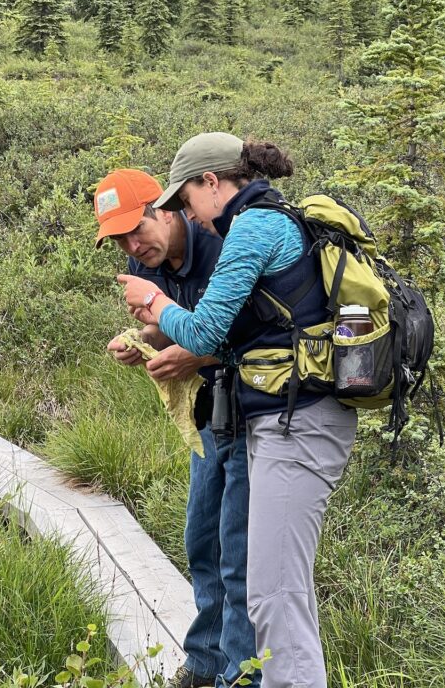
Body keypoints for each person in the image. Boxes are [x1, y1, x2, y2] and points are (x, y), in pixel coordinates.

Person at [118, 135, 358, 688]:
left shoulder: (253, 226)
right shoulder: (273, 218)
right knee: (278, 592)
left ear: (211, 182)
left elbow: (204, 330)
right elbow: (248, 338)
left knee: (274, 595)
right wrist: (153, 334)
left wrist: (155, 302)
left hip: (295, 423)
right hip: (289, 418)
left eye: (185, 202)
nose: (188, 216)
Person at [94, 168, 258, 688]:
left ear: (166, 208)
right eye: (119, 237)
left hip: (257, 410)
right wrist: (138, 339)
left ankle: (240, 673)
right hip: (210, 413)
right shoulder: (145, 260)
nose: (131, 243)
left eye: (137, 227)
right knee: (200, 538)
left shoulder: (220, 240)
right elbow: (164, 321)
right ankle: (206, 661)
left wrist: (193, 354)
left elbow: (258, 332)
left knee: (238, 551)